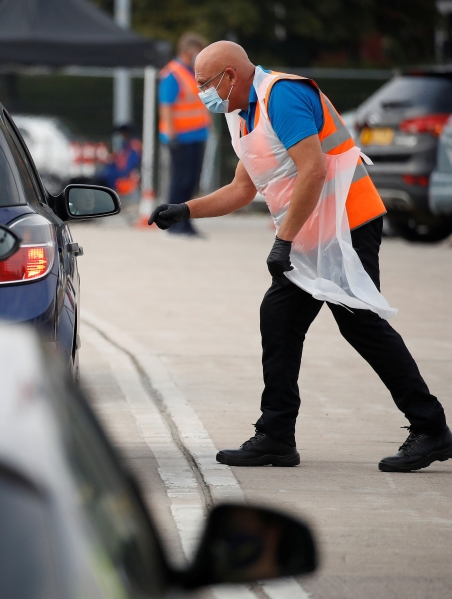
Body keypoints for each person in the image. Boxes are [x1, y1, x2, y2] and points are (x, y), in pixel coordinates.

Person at [148, 41, 451, 472]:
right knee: (279, 320)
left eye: (205, 85)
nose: (202, 95)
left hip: (348, 222)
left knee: (361, 325)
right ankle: (276, 436)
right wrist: (185, 209)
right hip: (310, 230)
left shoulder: (282, 96)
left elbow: (314, 169)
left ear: (231, 76)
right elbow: (242, 188)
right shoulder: (241, 112)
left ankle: (432, 428)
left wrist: (282, 241)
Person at [158, 32, 211, 236]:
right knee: (180, 181)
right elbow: (166, 106)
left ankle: (185, 221)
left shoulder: (190, 73)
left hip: (197, 135)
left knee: (190, 182)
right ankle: (173, 223)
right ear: (189, 51)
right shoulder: (172, 73)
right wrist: (171, 135)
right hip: (180, 137)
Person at [98, 124, 141, 198]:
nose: (121, 135)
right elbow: (116, 159)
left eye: (122, 133)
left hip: (125, 177)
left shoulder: (134, 144)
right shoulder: (125, 145)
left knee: (106, 177)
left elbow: (130, 165)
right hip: (117, 174)